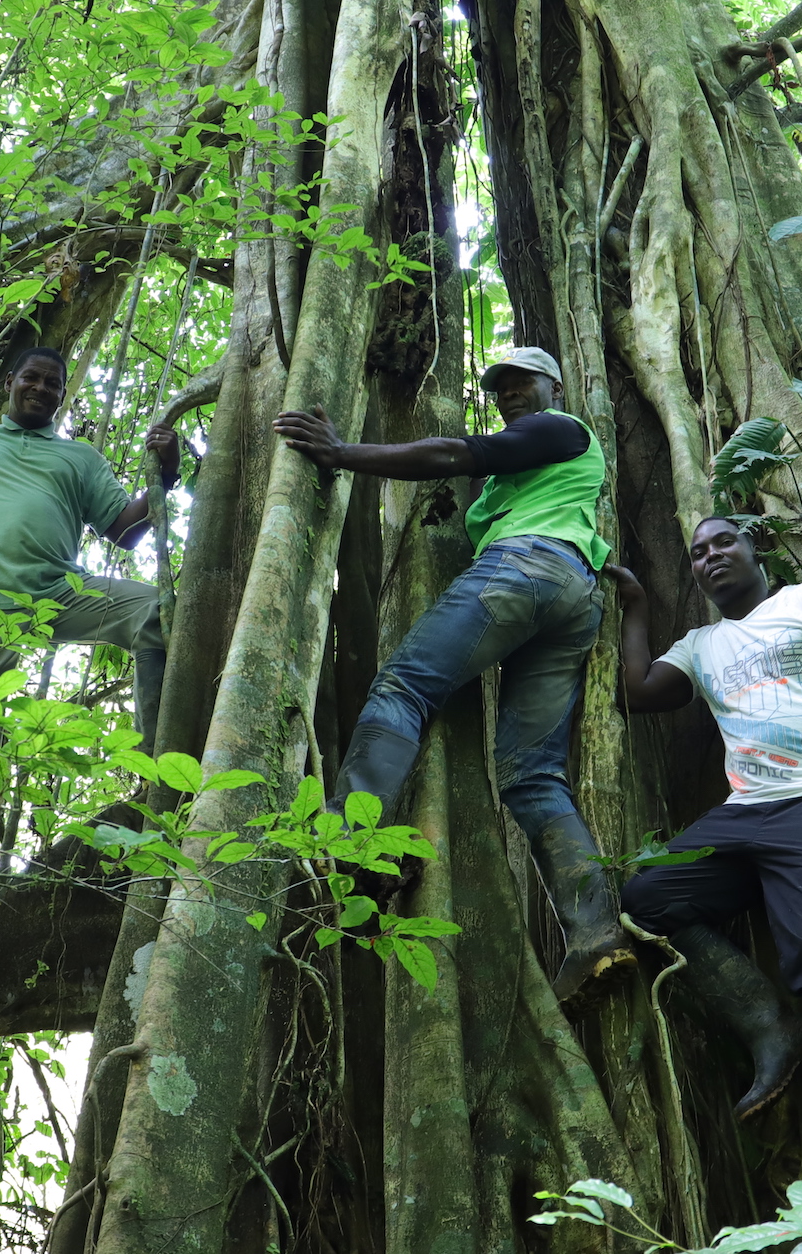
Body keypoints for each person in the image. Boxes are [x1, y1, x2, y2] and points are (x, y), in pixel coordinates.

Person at [272, 347, 635, 1004]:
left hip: (524, 571)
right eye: (499, 388)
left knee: (403, 688)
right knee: (531, 777)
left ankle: (351, 832)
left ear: (553, 383)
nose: (509, 394)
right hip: (570, 596)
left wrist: (340, 452)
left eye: (522, 381)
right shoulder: (520, 482)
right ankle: (595, 934)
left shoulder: (562, 429)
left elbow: (450, 455)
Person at [606, 516, 802, 1223]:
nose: (709, 557)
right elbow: (634, 693)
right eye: (696, 552)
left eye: (723, 542)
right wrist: (634, 607)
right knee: (646, 895)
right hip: (743, 814)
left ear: (755, 549)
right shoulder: (701, 645)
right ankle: (770, 1026)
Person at [0, 345, 181, 916]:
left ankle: (155, 770)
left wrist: (165, 472)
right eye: (33, 378)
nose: (42, 389)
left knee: (155, 611)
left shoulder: (79, 458)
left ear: (64, 397)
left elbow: (123, 530)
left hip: (60, 592)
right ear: (12, 383)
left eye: (54, 385)